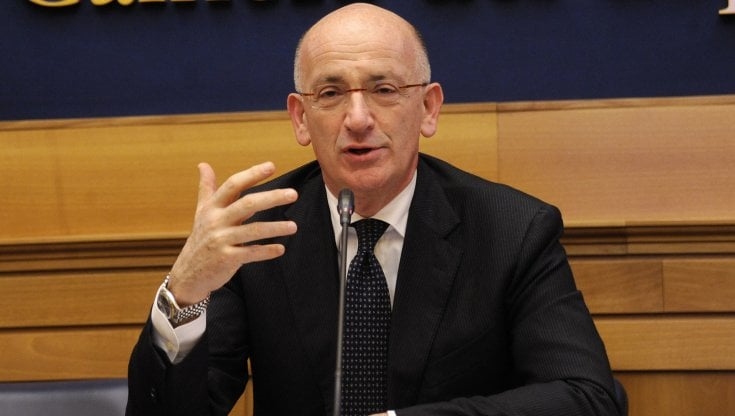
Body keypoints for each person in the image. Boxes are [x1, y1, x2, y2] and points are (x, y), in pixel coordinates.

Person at [126, 3, 623, 416]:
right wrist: (183, 293)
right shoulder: (256, 233)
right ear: (301, 118)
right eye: (331, 93)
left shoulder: (511, 230)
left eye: (384, 90)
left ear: (428, 108)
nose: (358, 118)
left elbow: (587, 398)